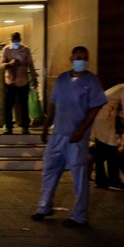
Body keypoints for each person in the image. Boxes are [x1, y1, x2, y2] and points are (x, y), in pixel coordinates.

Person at [32, 46, 107, 227]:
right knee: (49, 170)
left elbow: (94, 108)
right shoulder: (62, 79)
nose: (81, 60)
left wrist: (81, 130)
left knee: (79, 176)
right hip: (58, 134)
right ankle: (44, 207)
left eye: (84, 57)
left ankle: (79, 216)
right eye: (78, 57)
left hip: (76, 137)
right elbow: (53, 104)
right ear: (71, 58)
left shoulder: (92, 82)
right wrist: (45, 127)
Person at [0, 32, 38, 135]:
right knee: (8, 105)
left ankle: (25, 126)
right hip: (10, 81)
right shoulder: (6, 49)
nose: (15, 43)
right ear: (10, 40)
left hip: (22, 80)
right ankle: (8, 127)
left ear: (20, 40)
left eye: (17, 41)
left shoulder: (25, 50)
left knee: (24, 105)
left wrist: (34, 78)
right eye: (13, 41)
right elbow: (1, 65)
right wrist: (9, 64)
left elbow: (30, 65)